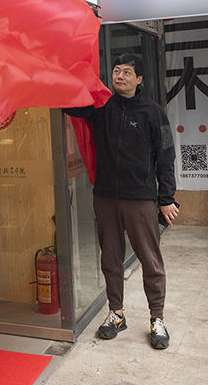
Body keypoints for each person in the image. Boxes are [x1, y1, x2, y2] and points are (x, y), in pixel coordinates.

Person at [66, 53, 178, 350]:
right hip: (105, 197)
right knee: (110, 259)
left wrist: (166, 198)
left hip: (140, 199)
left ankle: (157, 318)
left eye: (127, 72)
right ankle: (116, 314)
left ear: (139, 79)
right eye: (116, 71)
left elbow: (166, 156)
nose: (119, 76)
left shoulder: (153, 113)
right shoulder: (102, 108)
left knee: (151, 261)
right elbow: (70, 105)